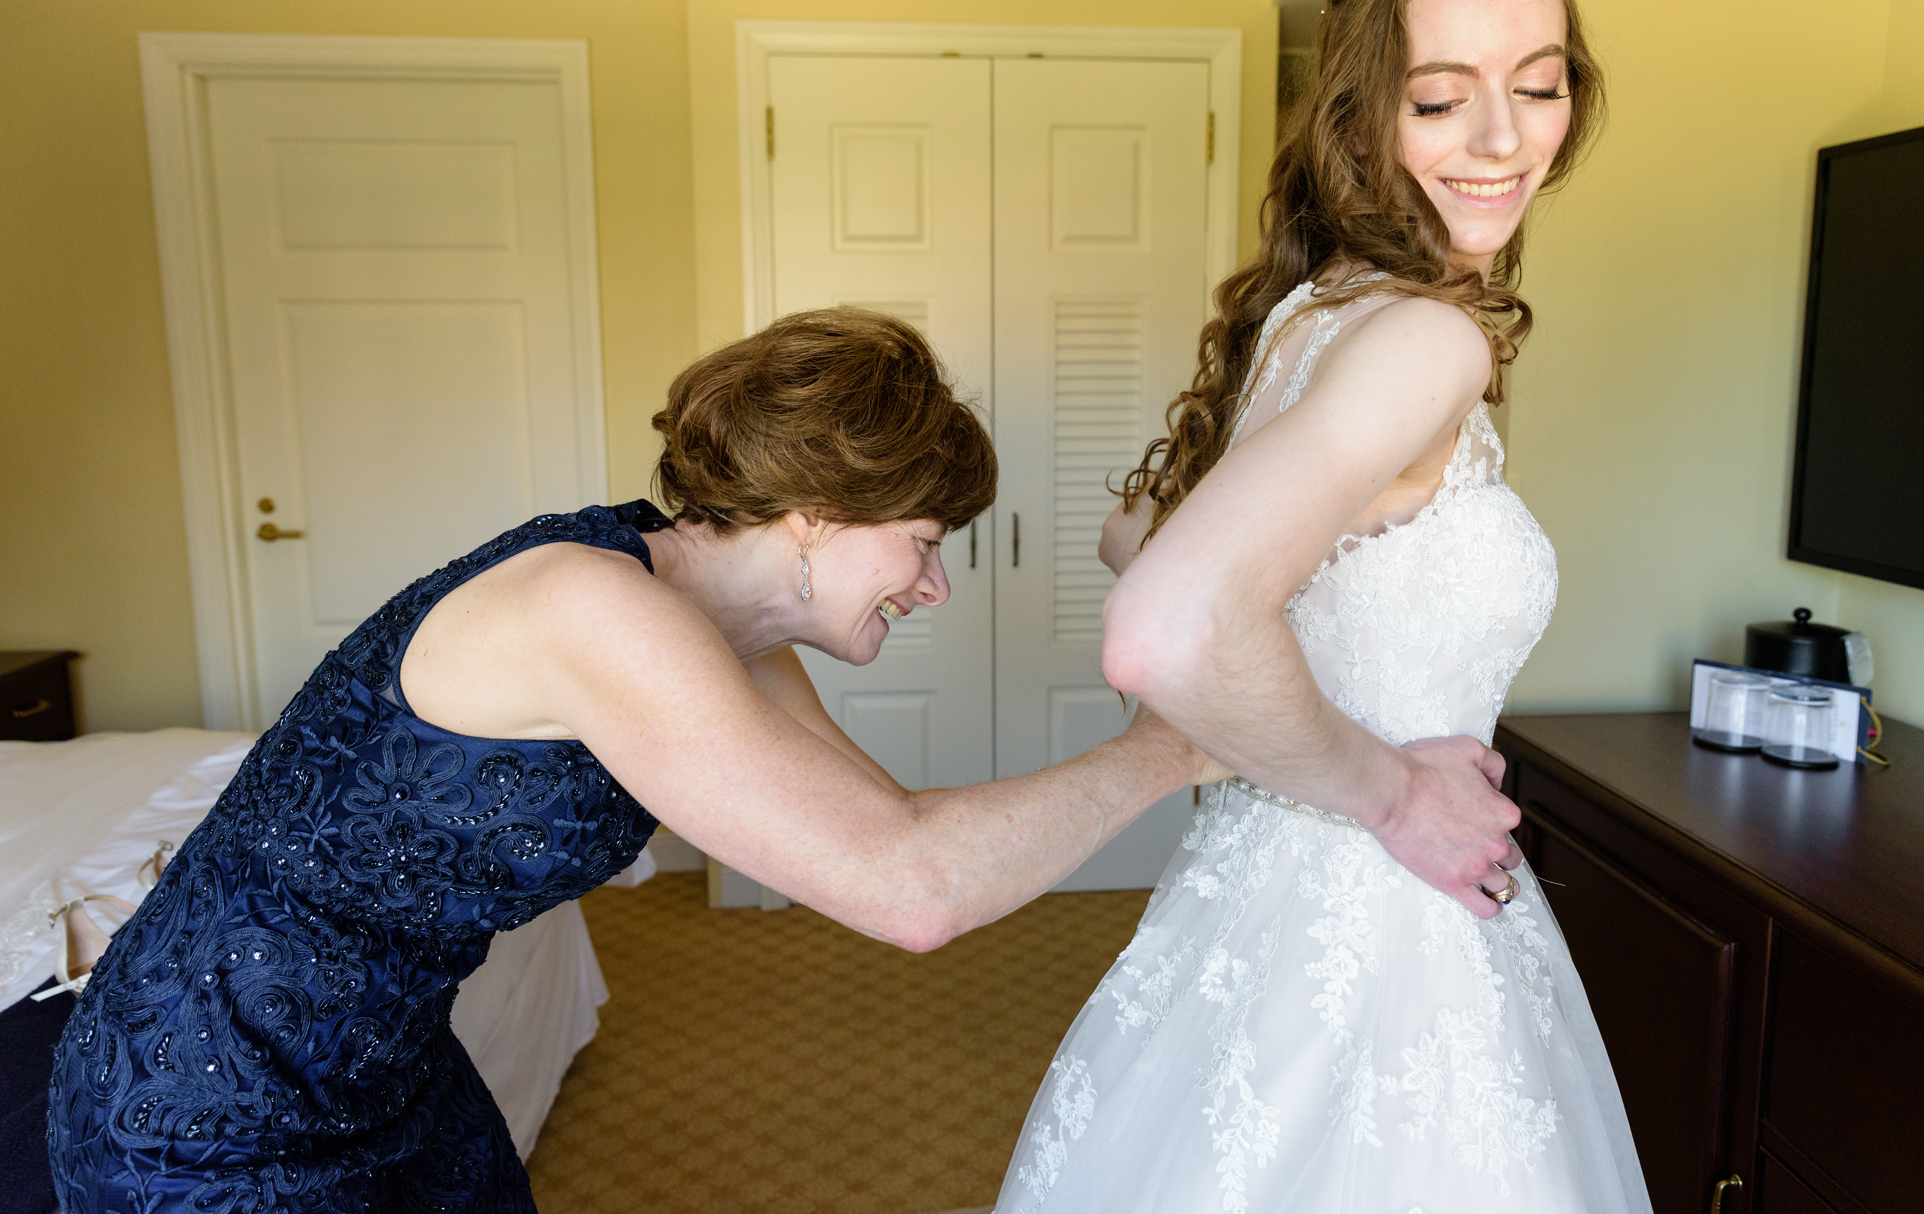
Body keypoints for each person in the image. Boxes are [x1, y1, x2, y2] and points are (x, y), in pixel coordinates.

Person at [48, 308, 1231, 1213]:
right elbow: (911, 894)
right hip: (209, 1086)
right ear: (815, 511)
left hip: (384, 1059)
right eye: (920, 544)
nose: (932, 584)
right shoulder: (596, 609)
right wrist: (1171, 744)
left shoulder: (717, 619)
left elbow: (883, 823)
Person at [993, 0, 1652, 1212]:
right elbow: (1167, 622)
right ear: (1363, 112)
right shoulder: (1424, 337)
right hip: (1385, 916)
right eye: (1439, 95)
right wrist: (1396, 790)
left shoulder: (1315, 309)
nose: (1501, 139)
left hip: (1263, 891)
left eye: (1538, 85)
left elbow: (1142, 532)